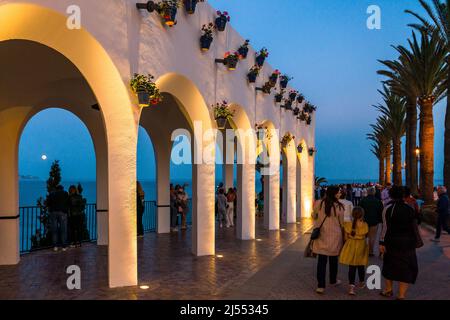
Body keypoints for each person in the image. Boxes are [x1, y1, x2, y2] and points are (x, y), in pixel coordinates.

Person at [379, 186, 418, 300]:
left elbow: (385, 228)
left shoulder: (388, 208)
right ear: (403, 195)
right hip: (408, 242)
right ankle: (401, 295)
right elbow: (415, 225)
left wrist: (382, 242)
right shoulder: (409, 208)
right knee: (405, 267)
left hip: (392, 241)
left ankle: (388, 290)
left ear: (391, 195)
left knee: (389, 265)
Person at [312, 186, 345, 294]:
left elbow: (314, 214)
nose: (340, 193)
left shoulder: (319, 203)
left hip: (322, 235)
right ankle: (333, 280)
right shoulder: (339, 206)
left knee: (321, 260)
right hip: (335, 236)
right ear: (335, 194)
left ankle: (320, 286)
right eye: (339, 192)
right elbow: (342, 223)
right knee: (333, 259)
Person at [339, 207, 369, 296]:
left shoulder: (348, 225)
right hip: (361, 246)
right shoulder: (365, 225)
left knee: (352, 267)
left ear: (352, 214)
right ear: (362, 215)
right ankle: (361, 282)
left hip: (351, 246)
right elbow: (367, 236)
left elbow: (345, 238)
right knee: (361, 265)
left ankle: (351, 288)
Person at [360, 187, 383, 256]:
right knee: (372, 237)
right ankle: (370, 251)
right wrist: (380, 220)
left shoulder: (363, 200)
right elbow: (381, 212)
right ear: (374, 192)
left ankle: (363, 251)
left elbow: (359, 210)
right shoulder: (378, 201)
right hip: (374, 221)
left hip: (364, 221)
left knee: (363, 236)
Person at [47, 185, 69, 252]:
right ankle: (64, 246)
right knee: (63, 229)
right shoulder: (65, 193)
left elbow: (48, 203)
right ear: (62, 188)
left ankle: (55, 246)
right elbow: (67, 202)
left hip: (53, 212)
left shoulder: (52, 194)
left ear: (56, 189)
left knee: (54, 230)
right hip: (62, 212)